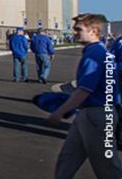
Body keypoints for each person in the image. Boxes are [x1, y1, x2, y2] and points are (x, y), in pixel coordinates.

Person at [48, 13, 122, 179]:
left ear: (93, 31)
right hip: (89, 114)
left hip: (97, 115)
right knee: (67, 159)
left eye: (78, 29)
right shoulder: (99, 51)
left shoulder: (95, 54)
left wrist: (60, 111)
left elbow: (84, 90)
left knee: (108, 168)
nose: (74, 32)